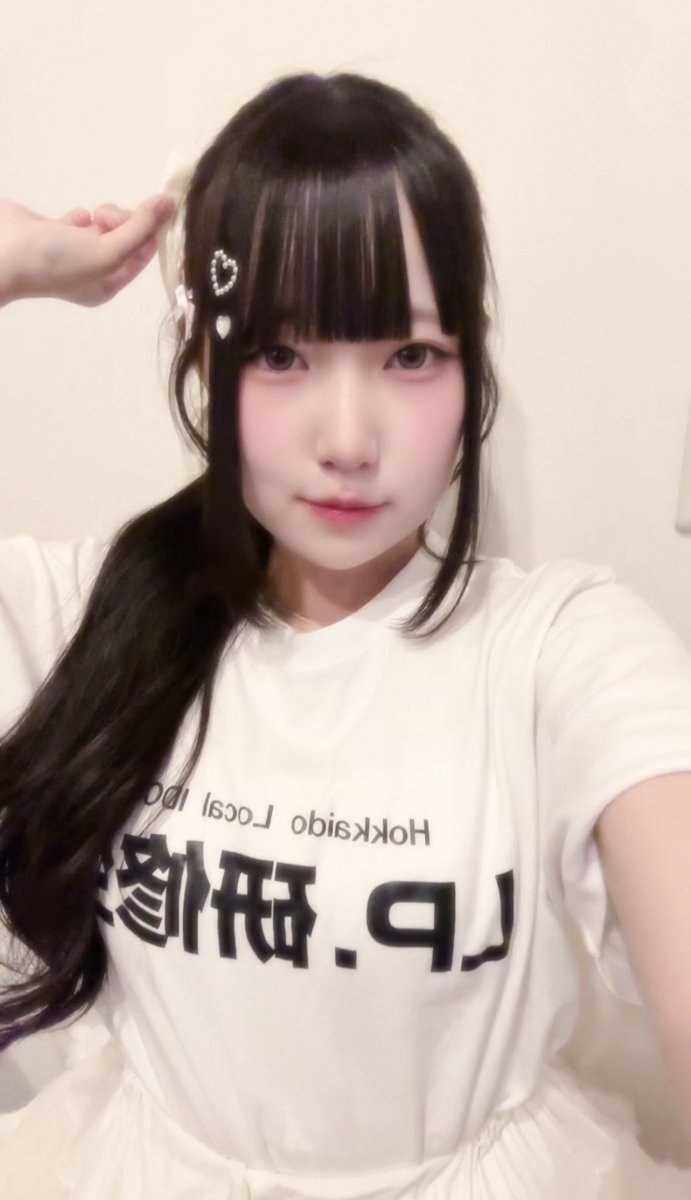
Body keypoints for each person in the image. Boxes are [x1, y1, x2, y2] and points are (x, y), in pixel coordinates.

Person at [0, 71, 690, 1200]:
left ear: (469, 370)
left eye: (410, 356)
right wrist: (20, 264)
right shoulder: (85, 614)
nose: (349, 438)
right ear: (205, 362)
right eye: (280, 354)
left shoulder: (560, 650)